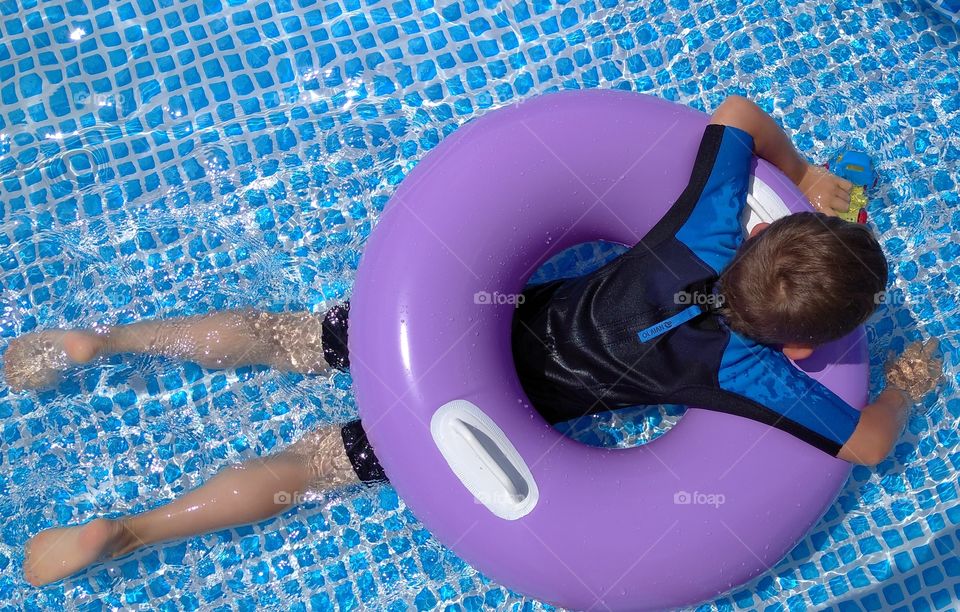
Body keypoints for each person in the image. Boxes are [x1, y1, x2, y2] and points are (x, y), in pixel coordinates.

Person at [6, 96, 941, 587]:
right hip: (478, 421)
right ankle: (137, 529)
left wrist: (800, 170)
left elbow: (735, 113)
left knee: (287, 338)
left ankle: (104, 337)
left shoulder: (704, 221)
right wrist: (900, 382)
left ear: (757, 235)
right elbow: (869, 442)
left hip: (440, 335)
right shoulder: (752, 375)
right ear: (810, 342)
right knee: (315, 467)